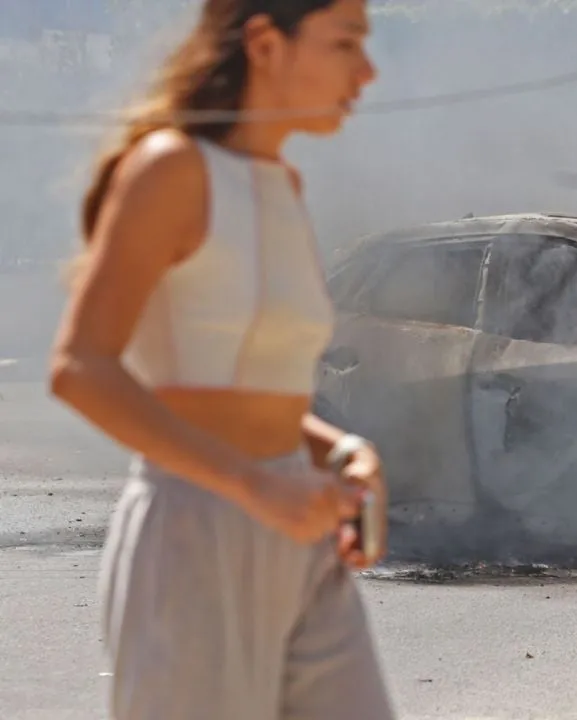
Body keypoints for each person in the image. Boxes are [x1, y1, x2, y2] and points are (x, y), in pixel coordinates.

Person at [46, 1, 394, 718]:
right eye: (345, 43)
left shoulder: (283, 185)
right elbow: (80, 368)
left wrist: (343, 452)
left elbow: (249, 388)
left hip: (298, 524)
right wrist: (251, 486)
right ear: (265, 42)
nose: (368, 72)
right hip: (194, 532)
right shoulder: (169, 169)